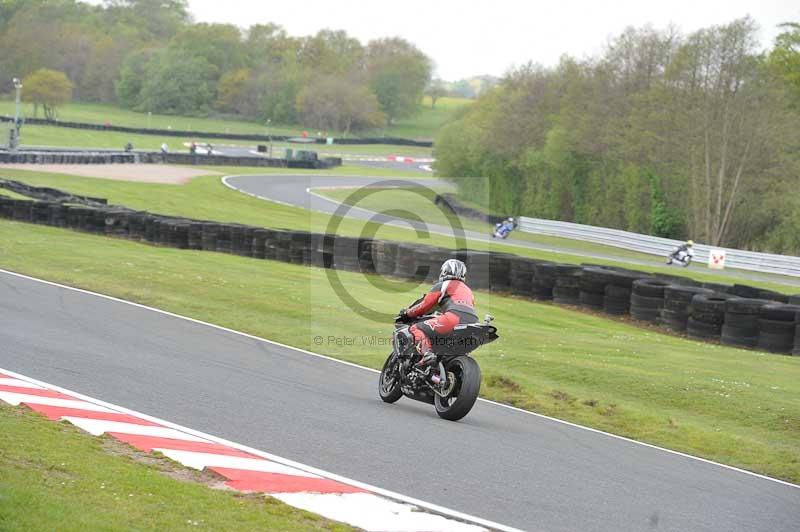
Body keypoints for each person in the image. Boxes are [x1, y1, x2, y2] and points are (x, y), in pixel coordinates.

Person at [399, 259, 478, 367]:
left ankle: (427, 354)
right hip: (474, 322)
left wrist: (407, 313)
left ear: (445, 271)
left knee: (415, 328)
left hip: (453, 319)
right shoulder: (469, 291)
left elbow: (424, 305)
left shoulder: (444, 284)